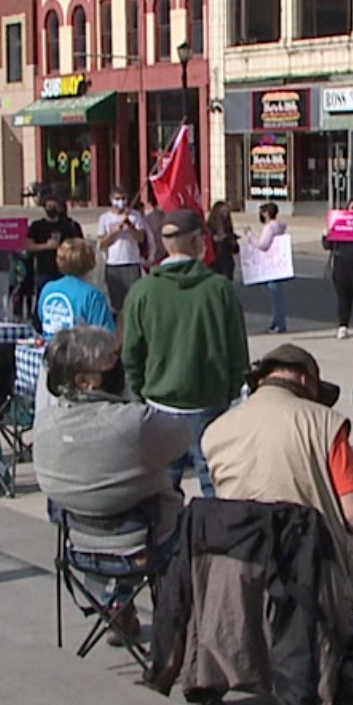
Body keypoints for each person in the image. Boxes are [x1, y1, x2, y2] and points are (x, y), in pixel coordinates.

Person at [203, 345, 353, 705]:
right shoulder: (324, 424)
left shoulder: (216, 432)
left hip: (243, 572)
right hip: (317, 571)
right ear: (306, 379)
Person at [33, 325, 191, 641]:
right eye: (112, 363)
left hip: (78, 543)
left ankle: (116, 607)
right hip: (142, 544)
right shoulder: (132, 423)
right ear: (86, 380)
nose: (121, 369)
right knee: (192, 519)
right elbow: (182, 438)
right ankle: (173, 621)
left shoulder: (45, 423)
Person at [121, 209, 249, 498]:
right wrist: (226, 393)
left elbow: (131, 354)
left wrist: (142, 394)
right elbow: (238, 353)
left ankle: (168, 540)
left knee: (161, 493)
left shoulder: (143, 291)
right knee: (215, 487)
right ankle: (215, 541)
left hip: (159, 404)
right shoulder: (220, 290)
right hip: (209, 404)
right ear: (197, 242)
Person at [37, 239, 116, 339]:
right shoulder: (92, 295)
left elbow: (41, 318)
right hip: (80, 352)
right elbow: (106, 335)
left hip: (51, 350)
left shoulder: (48, 289)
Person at [97, 191, 149, 315]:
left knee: (133, 299)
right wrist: (114, 231)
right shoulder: (104, 218)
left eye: (123, 198)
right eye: (117, 198)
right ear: (111, 200)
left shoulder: (134, 216)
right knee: (117, 304)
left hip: (131, 262)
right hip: (113, 264)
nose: (120, 201)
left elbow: (141, 238)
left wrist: (130, 226)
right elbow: (101, 243)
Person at [27, 194, 84, 294]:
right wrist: (46, 246)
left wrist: (66, 246)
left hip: (66, 270)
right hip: (44, 270)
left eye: (54, 207)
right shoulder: (37, 226)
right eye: (49, 207)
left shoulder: (70, 225)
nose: (51, 209)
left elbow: (80, 245)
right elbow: (28, 246)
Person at [250, 203, 290, 334]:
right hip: (278, 264)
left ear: (266, 213)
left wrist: (250, 237)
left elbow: (263, 245)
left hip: (271, 266)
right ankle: (278, 322)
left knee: (275, 294)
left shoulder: (269, 227)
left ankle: (279, 324)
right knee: (278, 295)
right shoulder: (279, 226)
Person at [206, 200, 239, 280]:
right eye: (222, 212)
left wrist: (232, 241)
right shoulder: (209, 227)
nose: (224, 215)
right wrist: (215, 239)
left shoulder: (227, 227)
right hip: (214, 262)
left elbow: (236, 249)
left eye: (226, 213)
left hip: (227, 262)